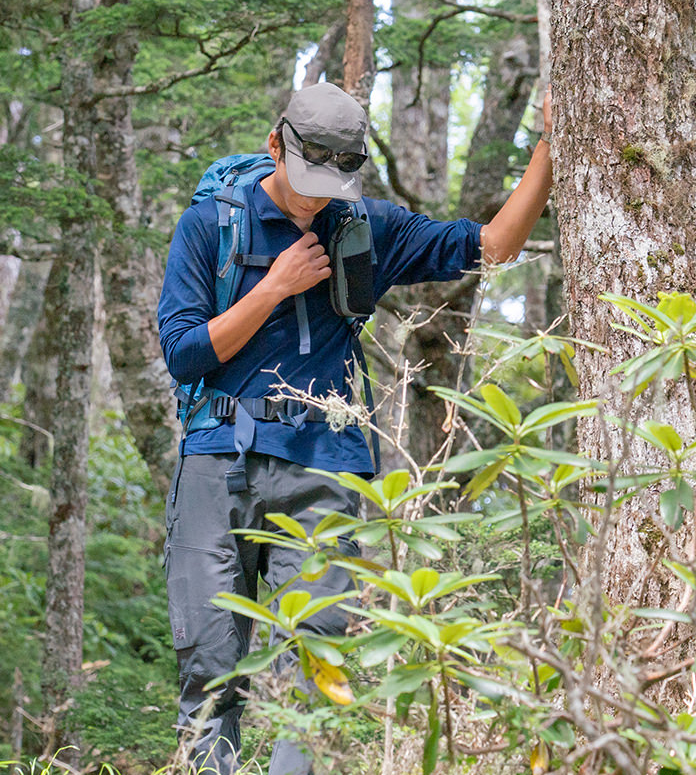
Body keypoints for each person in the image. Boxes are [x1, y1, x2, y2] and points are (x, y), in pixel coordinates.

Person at [157, 81, 553, 774]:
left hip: (325, 467)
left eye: (332, 182)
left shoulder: (364, 228)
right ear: (275, 144)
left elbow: (495, 245)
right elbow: (183, 352)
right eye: (307, 179)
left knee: (316, 674)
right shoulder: (211, 224)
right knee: (211, 675)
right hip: (217, 460)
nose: (316, 199)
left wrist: (552, 143)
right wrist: (275, 286)